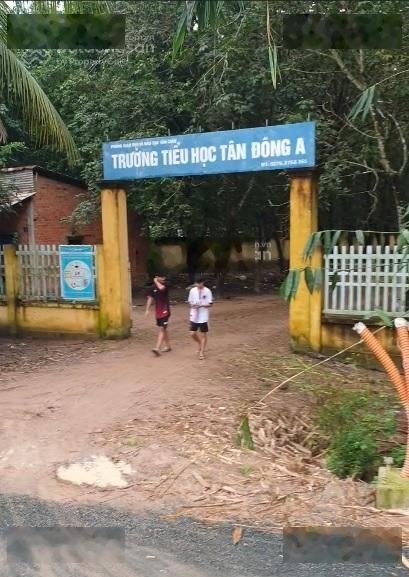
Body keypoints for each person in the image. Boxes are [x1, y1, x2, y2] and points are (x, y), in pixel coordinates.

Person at [145, 273, 171, 356]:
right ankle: (168, 346)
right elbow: (150, 298)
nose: (163, 278)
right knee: (164, 329)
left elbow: (161, 288)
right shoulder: (152, 288)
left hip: (165, 311)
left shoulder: (166, 284)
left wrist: (156, 281)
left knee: (162, 328)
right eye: (161, 277)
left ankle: (157, 348)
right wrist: (147, 309)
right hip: (158, 312)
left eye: (164, 277)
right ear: (157, 277)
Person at [188, 276, 213, 360]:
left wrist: (201, 305)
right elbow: (190, 301)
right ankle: (199, 343)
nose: (197, 285)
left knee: (203, 333)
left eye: (199, 283)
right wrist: (192, 305)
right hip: (194, 315)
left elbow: (210, 304)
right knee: (192, 333)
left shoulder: (207, 291)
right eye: (196, 283)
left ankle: (202, 352)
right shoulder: (192, 290)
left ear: (203, 282)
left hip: (203, 316)